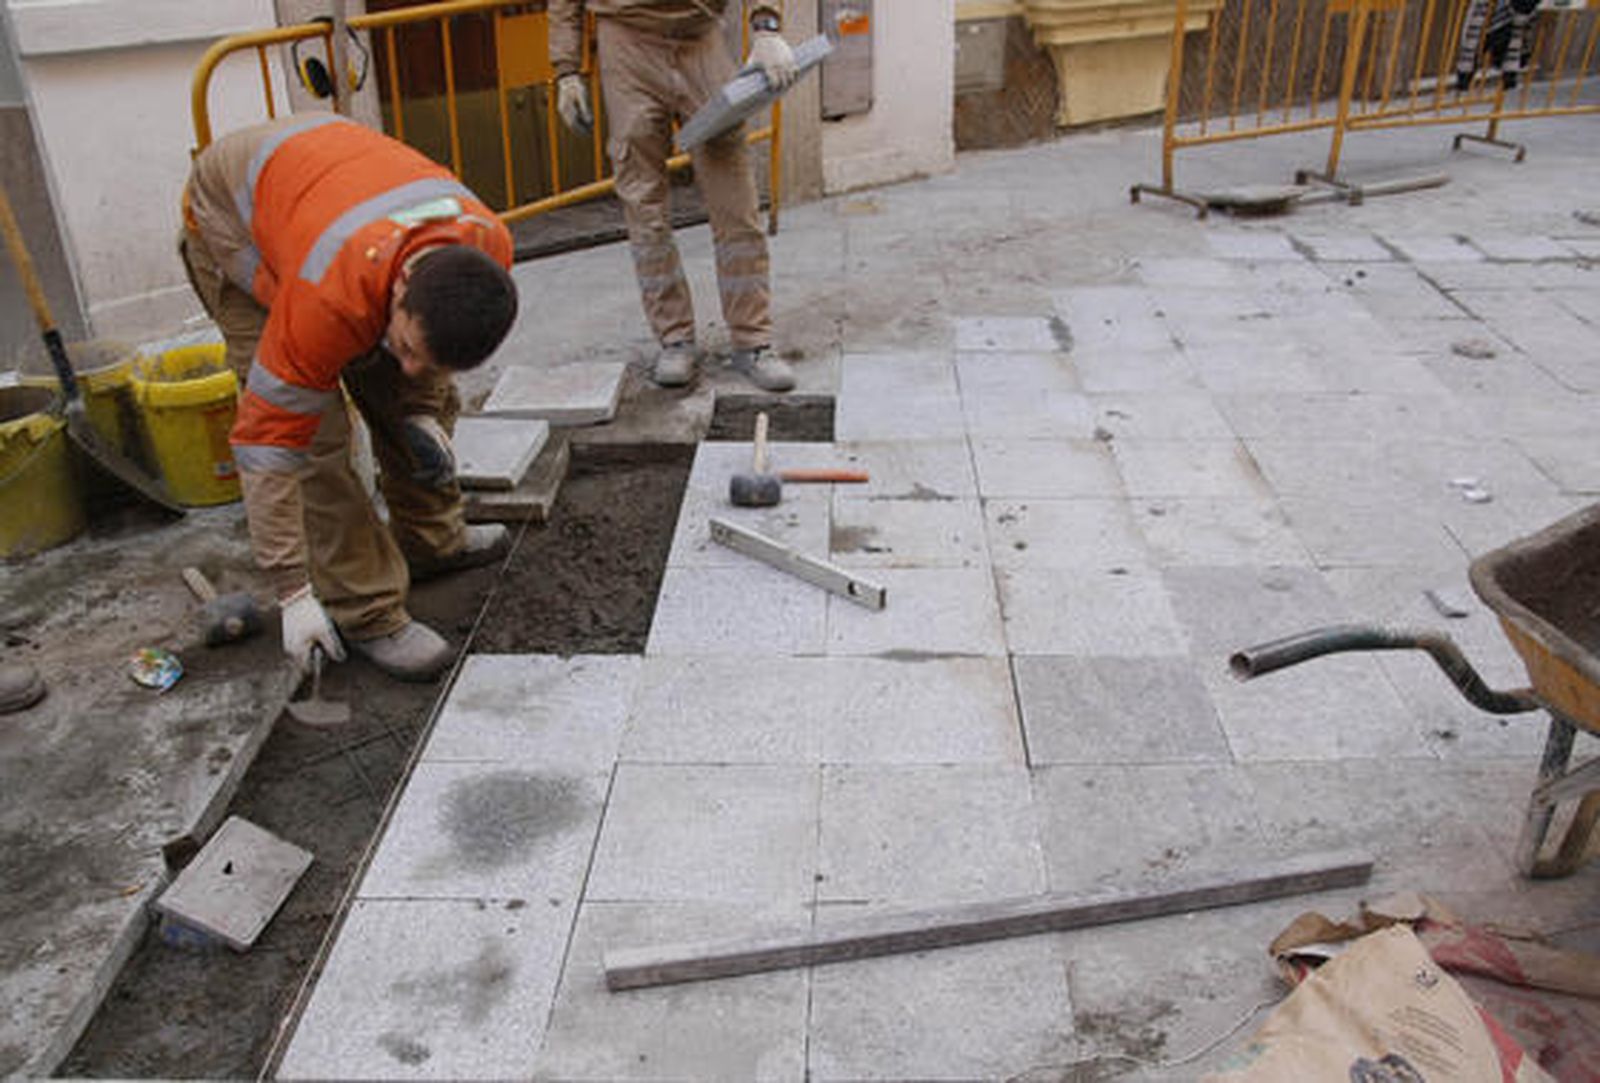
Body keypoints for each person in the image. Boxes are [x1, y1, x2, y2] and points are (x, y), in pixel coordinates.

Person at [180, 115, 519, 683]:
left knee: (401, 390)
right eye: (408, 344)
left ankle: (433, 543)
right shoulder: (325, 297)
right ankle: (366, 610)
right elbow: (269, 446)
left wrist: (421, 406)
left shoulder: (487, 247)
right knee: (318, 438)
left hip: (324, 193)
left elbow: (420, 365)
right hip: (232, 226)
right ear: (404, 287)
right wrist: (292, 591)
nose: (410, 363)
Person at [548, 0, 798, 392]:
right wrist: (566, 68)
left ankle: (753, 341)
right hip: (627, 40)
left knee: (736, 200)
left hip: (700, 36)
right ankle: (675, 338)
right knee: (644, 203)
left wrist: (766, 26)